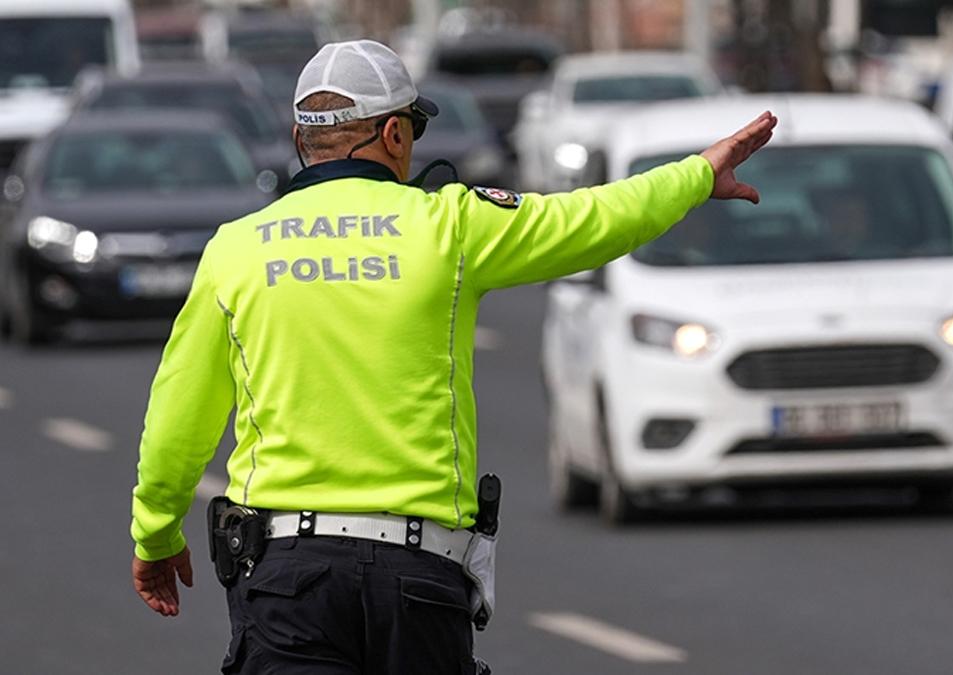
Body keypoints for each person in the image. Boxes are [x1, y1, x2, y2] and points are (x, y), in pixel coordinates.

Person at [129, 39, 776, 673]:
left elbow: (177, 418)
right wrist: (697, 176)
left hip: (288, 582)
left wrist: (156, 535)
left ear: (304, 141)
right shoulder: (451, 226)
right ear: (392, 135)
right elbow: (592, 220)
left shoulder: (236, 250)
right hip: (418, 578)